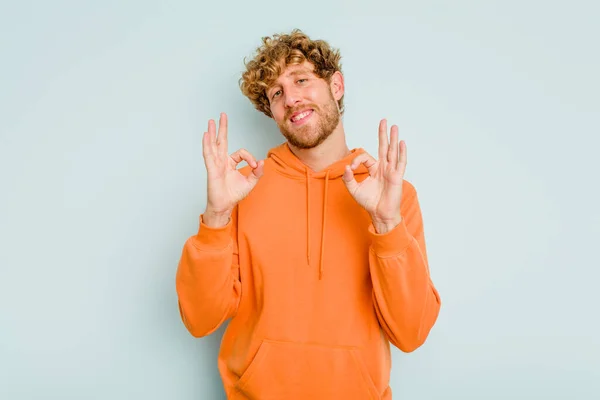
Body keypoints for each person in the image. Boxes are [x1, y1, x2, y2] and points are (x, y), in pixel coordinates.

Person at [175, 29, 441, 399]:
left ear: (336, 85)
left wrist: (386, 224)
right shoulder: (244, 189)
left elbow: (411, 333)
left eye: (301, 80)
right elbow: (199, 320)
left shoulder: (391, 195)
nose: (291, 98)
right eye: (277, 93)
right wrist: (217, 216)